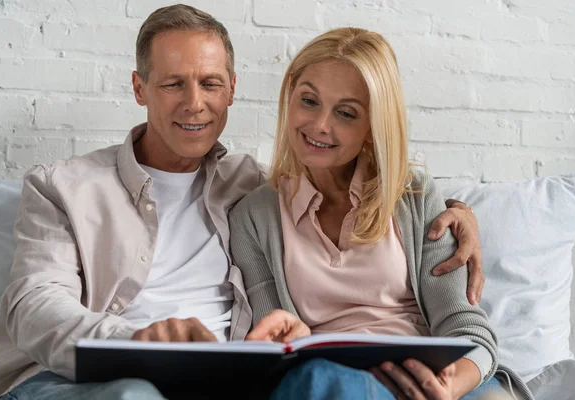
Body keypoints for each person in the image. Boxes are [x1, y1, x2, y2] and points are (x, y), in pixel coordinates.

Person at [0, 5, 484, 400]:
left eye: (210, 83)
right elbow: (32, 304)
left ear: (231, 91)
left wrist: (458, 212)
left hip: (219, 383)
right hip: (87, 381)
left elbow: (367, 184)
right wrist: (129, 340)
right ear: (139, 87)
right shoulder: (63, 186)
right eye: (171, 84)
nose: (194, 103)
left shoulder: (248, 187)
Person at [228, 27, 534, 400]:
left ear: (373, 126)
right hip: (332, 383)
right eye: (309, 100)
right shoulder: (253, 216)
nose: (320, 125)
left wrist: (446, 389)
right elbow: (274, 342)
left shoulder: (413, 197)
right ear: (290, 95)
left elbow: (468, 330)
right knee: (317, 381)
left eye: (345, 113)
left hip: (436, 382)